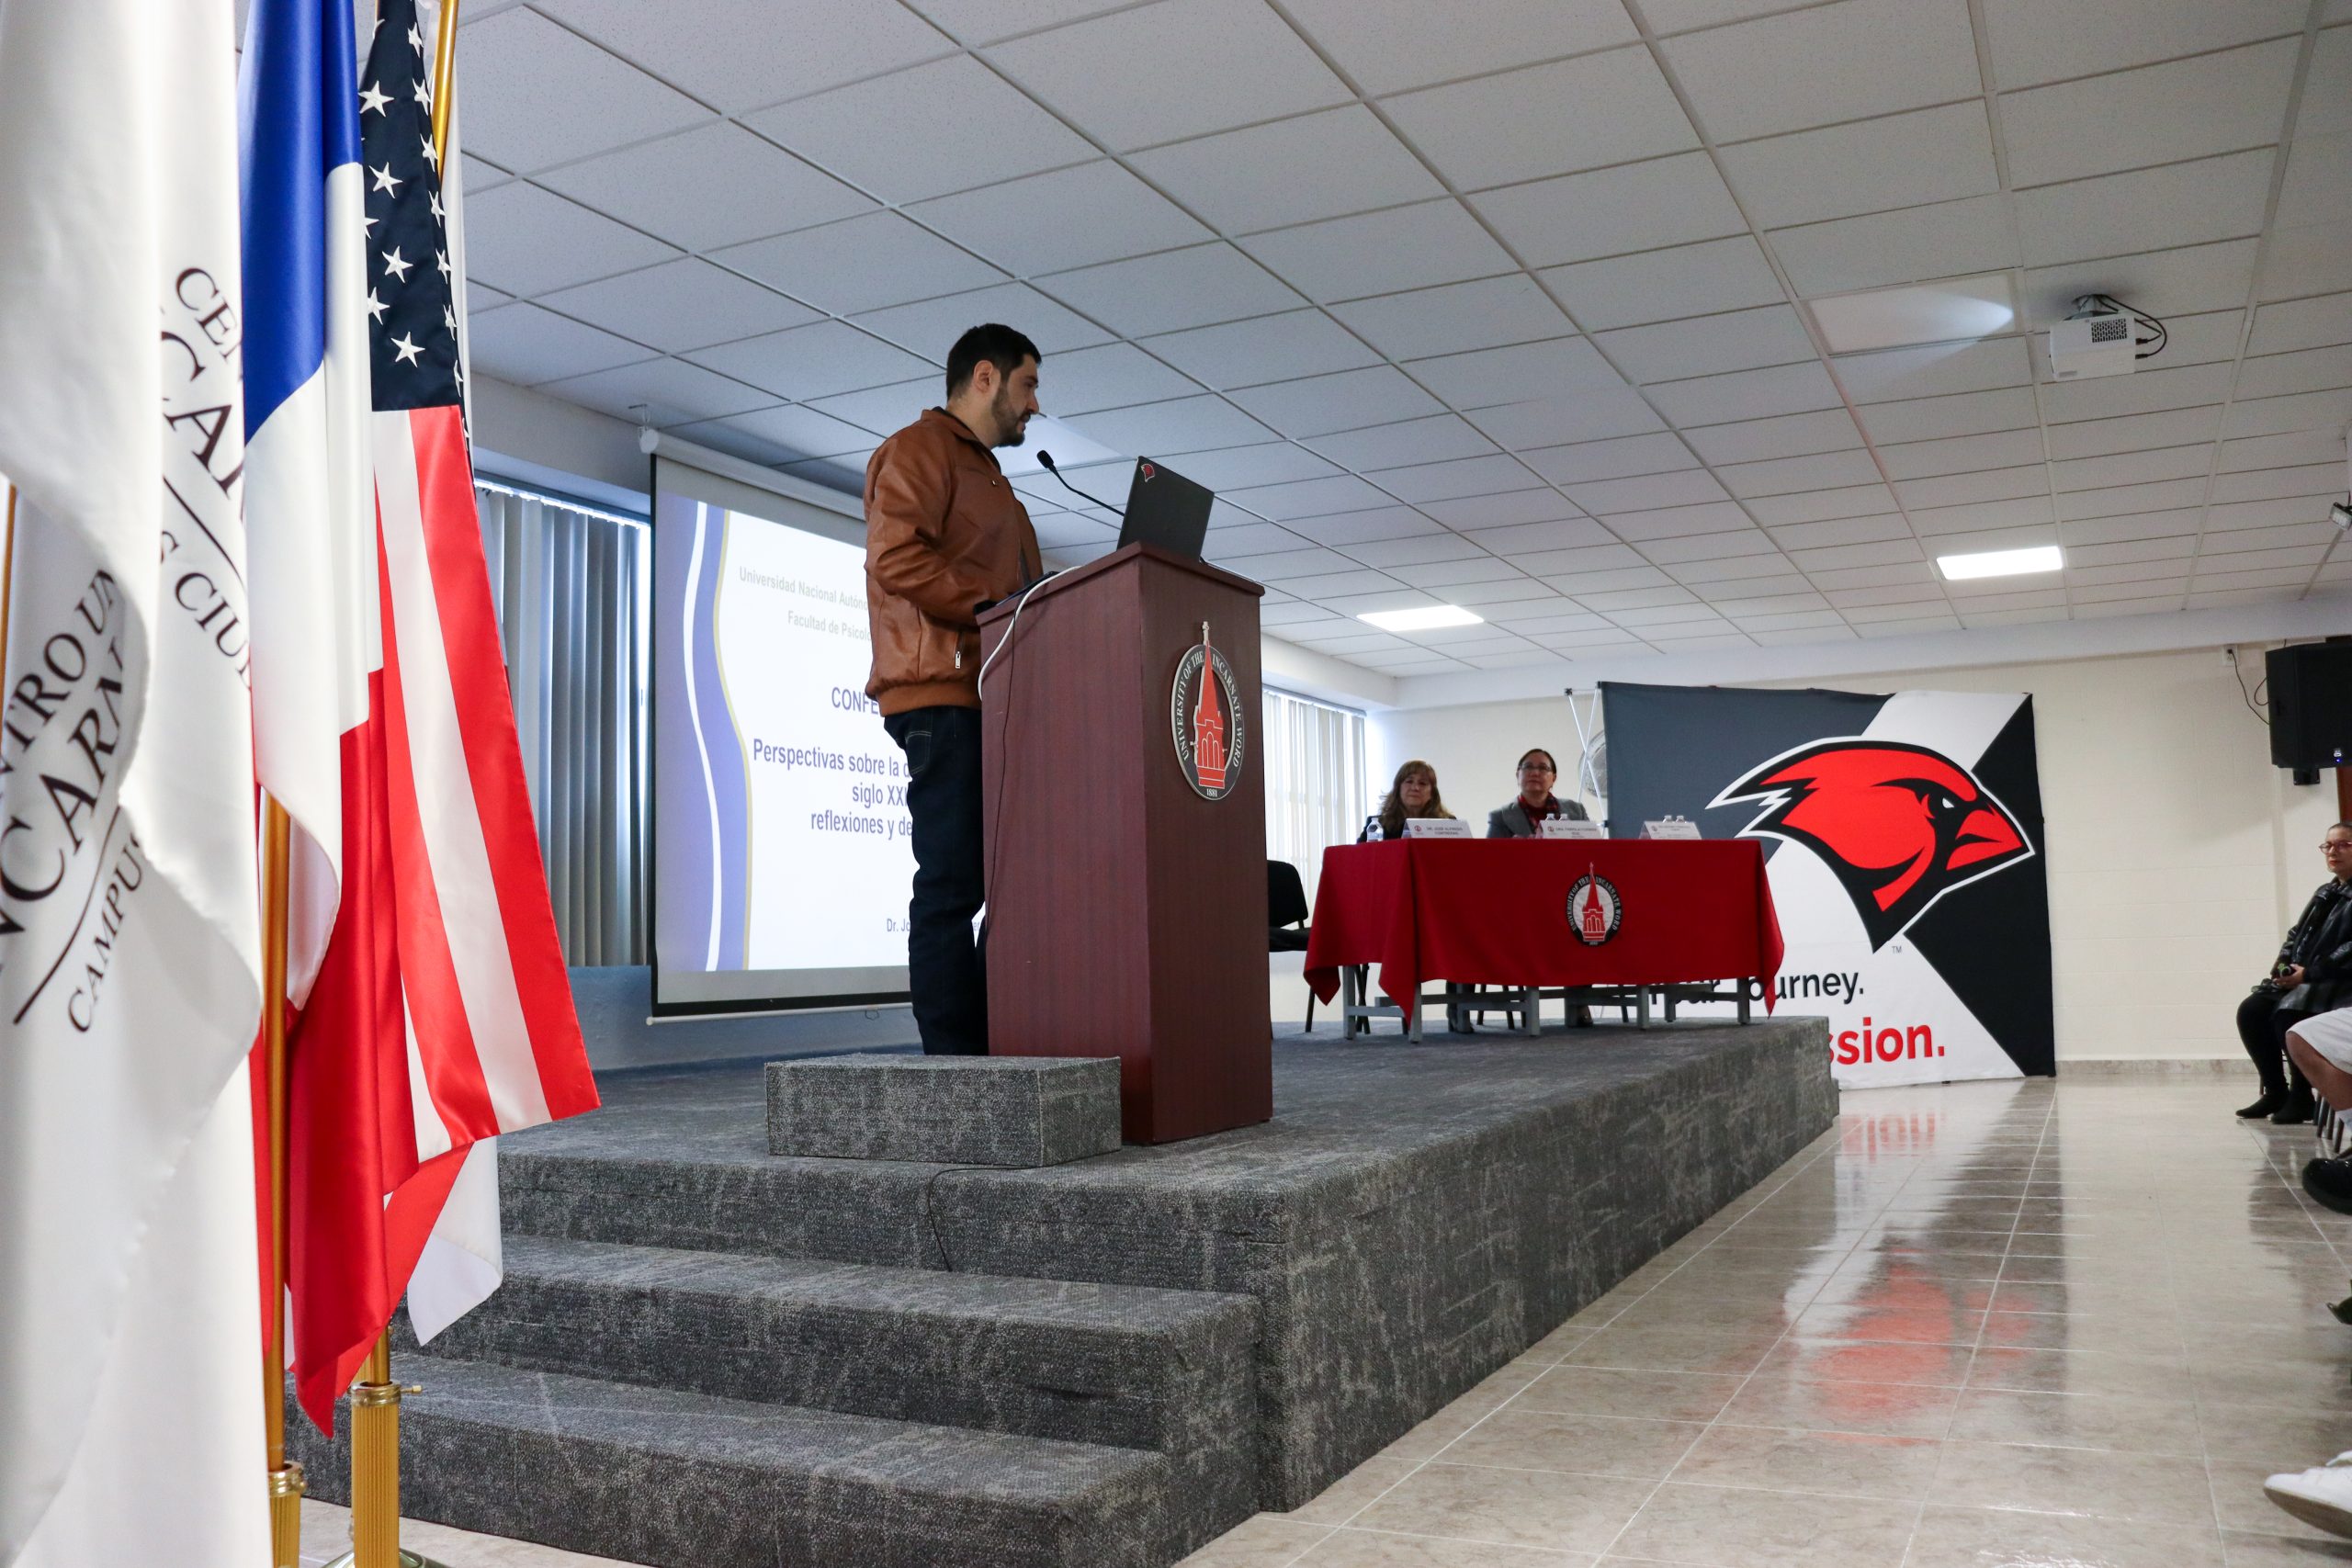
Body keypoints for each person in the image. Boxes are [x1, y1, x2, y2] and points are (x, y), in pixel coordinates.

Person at [864, 323, 1044, 1055]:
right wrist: (991, 609)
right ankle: (954, 1064)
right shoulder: (919, 450)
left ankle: (991, 1046)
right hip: (941, 696)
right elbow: (895, 557)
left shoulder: (995, 482)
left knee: (1002, 884)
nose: (1035, 405)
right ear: (985, 376)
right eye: (1028, 384)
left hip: (993, 701)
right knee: (950, 886)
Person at [2234, 820, 2352, 1122]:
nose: (2333, 852)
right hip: (2308, 978)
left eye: (2343, 845)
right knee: (2252, 1009)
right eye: (2328, 845)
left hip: (2339, 983)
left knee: (2290, 1011)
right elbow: (2297, 933)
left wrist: (2309, 974)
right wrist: (2283, 966)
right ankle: (2276, 1091)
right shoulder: (2327, 891)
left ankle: (2302, 1095)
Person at [1487, 749, 1589, 838]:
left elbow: (1592, 849)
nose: (1535, 773)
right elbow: (1490, 853)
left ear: (1553, 778)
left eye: (1543, 768)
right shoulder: (1500, 817)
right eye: (1528, 767)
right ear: (1518, 775)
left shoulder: (1577, 811)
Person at [1360, 759, 1455, 841]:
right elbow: (1359, 854)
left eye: (1422, 783)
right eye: (1409, 781)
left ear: (1432, 793)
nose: (1415, 788)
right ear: (1398, 789)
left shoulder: (1448, 824)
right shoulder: (1377, 825)